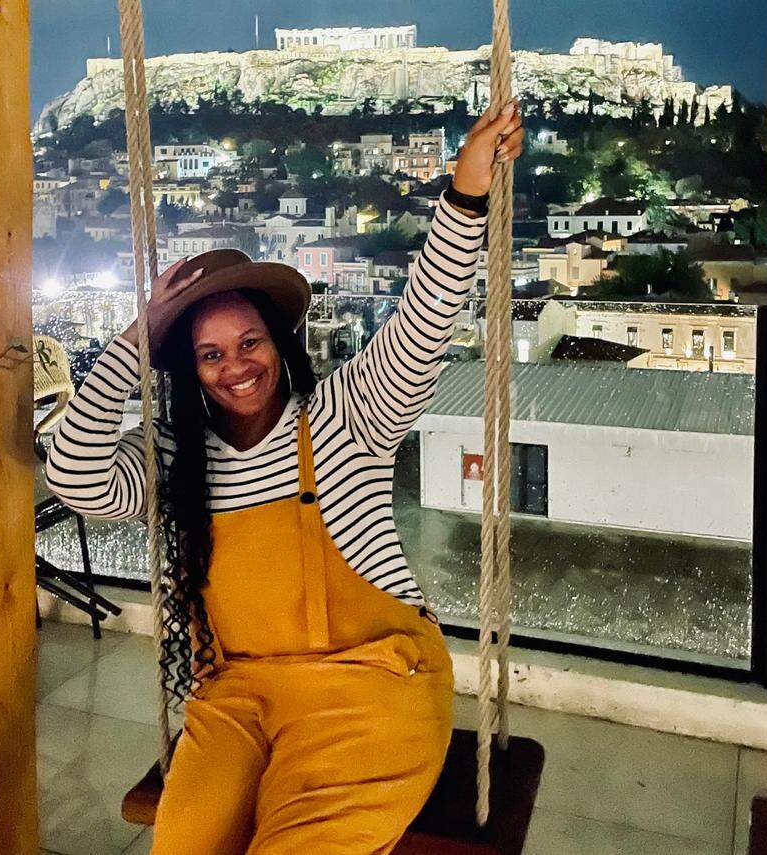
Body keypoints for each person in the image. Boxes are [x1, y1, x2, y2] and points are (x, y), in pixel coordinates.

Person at [45, 101, 524, 854]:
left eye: (250, 341)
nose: (236, 365)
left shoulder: (347, 412)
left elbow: (426, 317)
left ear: (280, 341)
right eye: (209, 353)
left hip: (370, 686)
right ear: (188, 370)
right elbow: (73, 471)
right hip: (236, 696)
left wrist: (465, 193)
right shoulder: (177, 456)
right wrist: (140, 332)